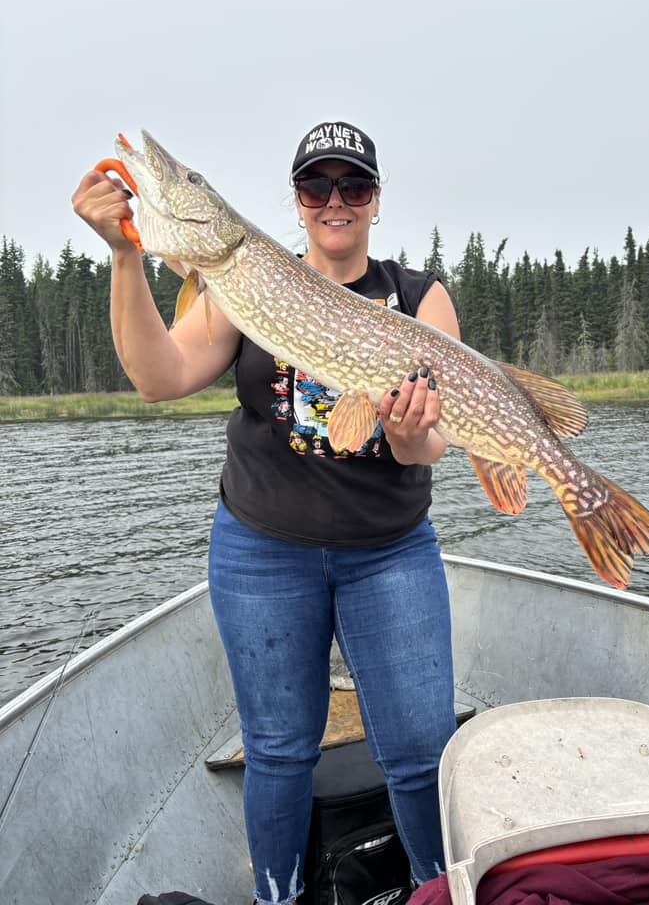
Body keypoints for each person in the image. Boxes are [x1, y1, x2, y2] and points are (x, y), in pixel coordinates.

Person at [72, 120, 461, 905]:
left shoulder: (419, 297)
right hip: (262, 551)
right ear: (296, 201)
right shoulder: (241, 275)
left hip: (387, 550)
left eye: (352, 186)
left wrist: (413, 431)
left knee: (421, 749)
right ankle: (278, 897)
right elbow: (160, 376)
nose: (334, 201)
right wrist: (124, 254)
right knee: (280, 751)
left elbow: (430, 449)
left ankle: (434, 892)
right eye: (317, 187)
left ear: (374, 200)